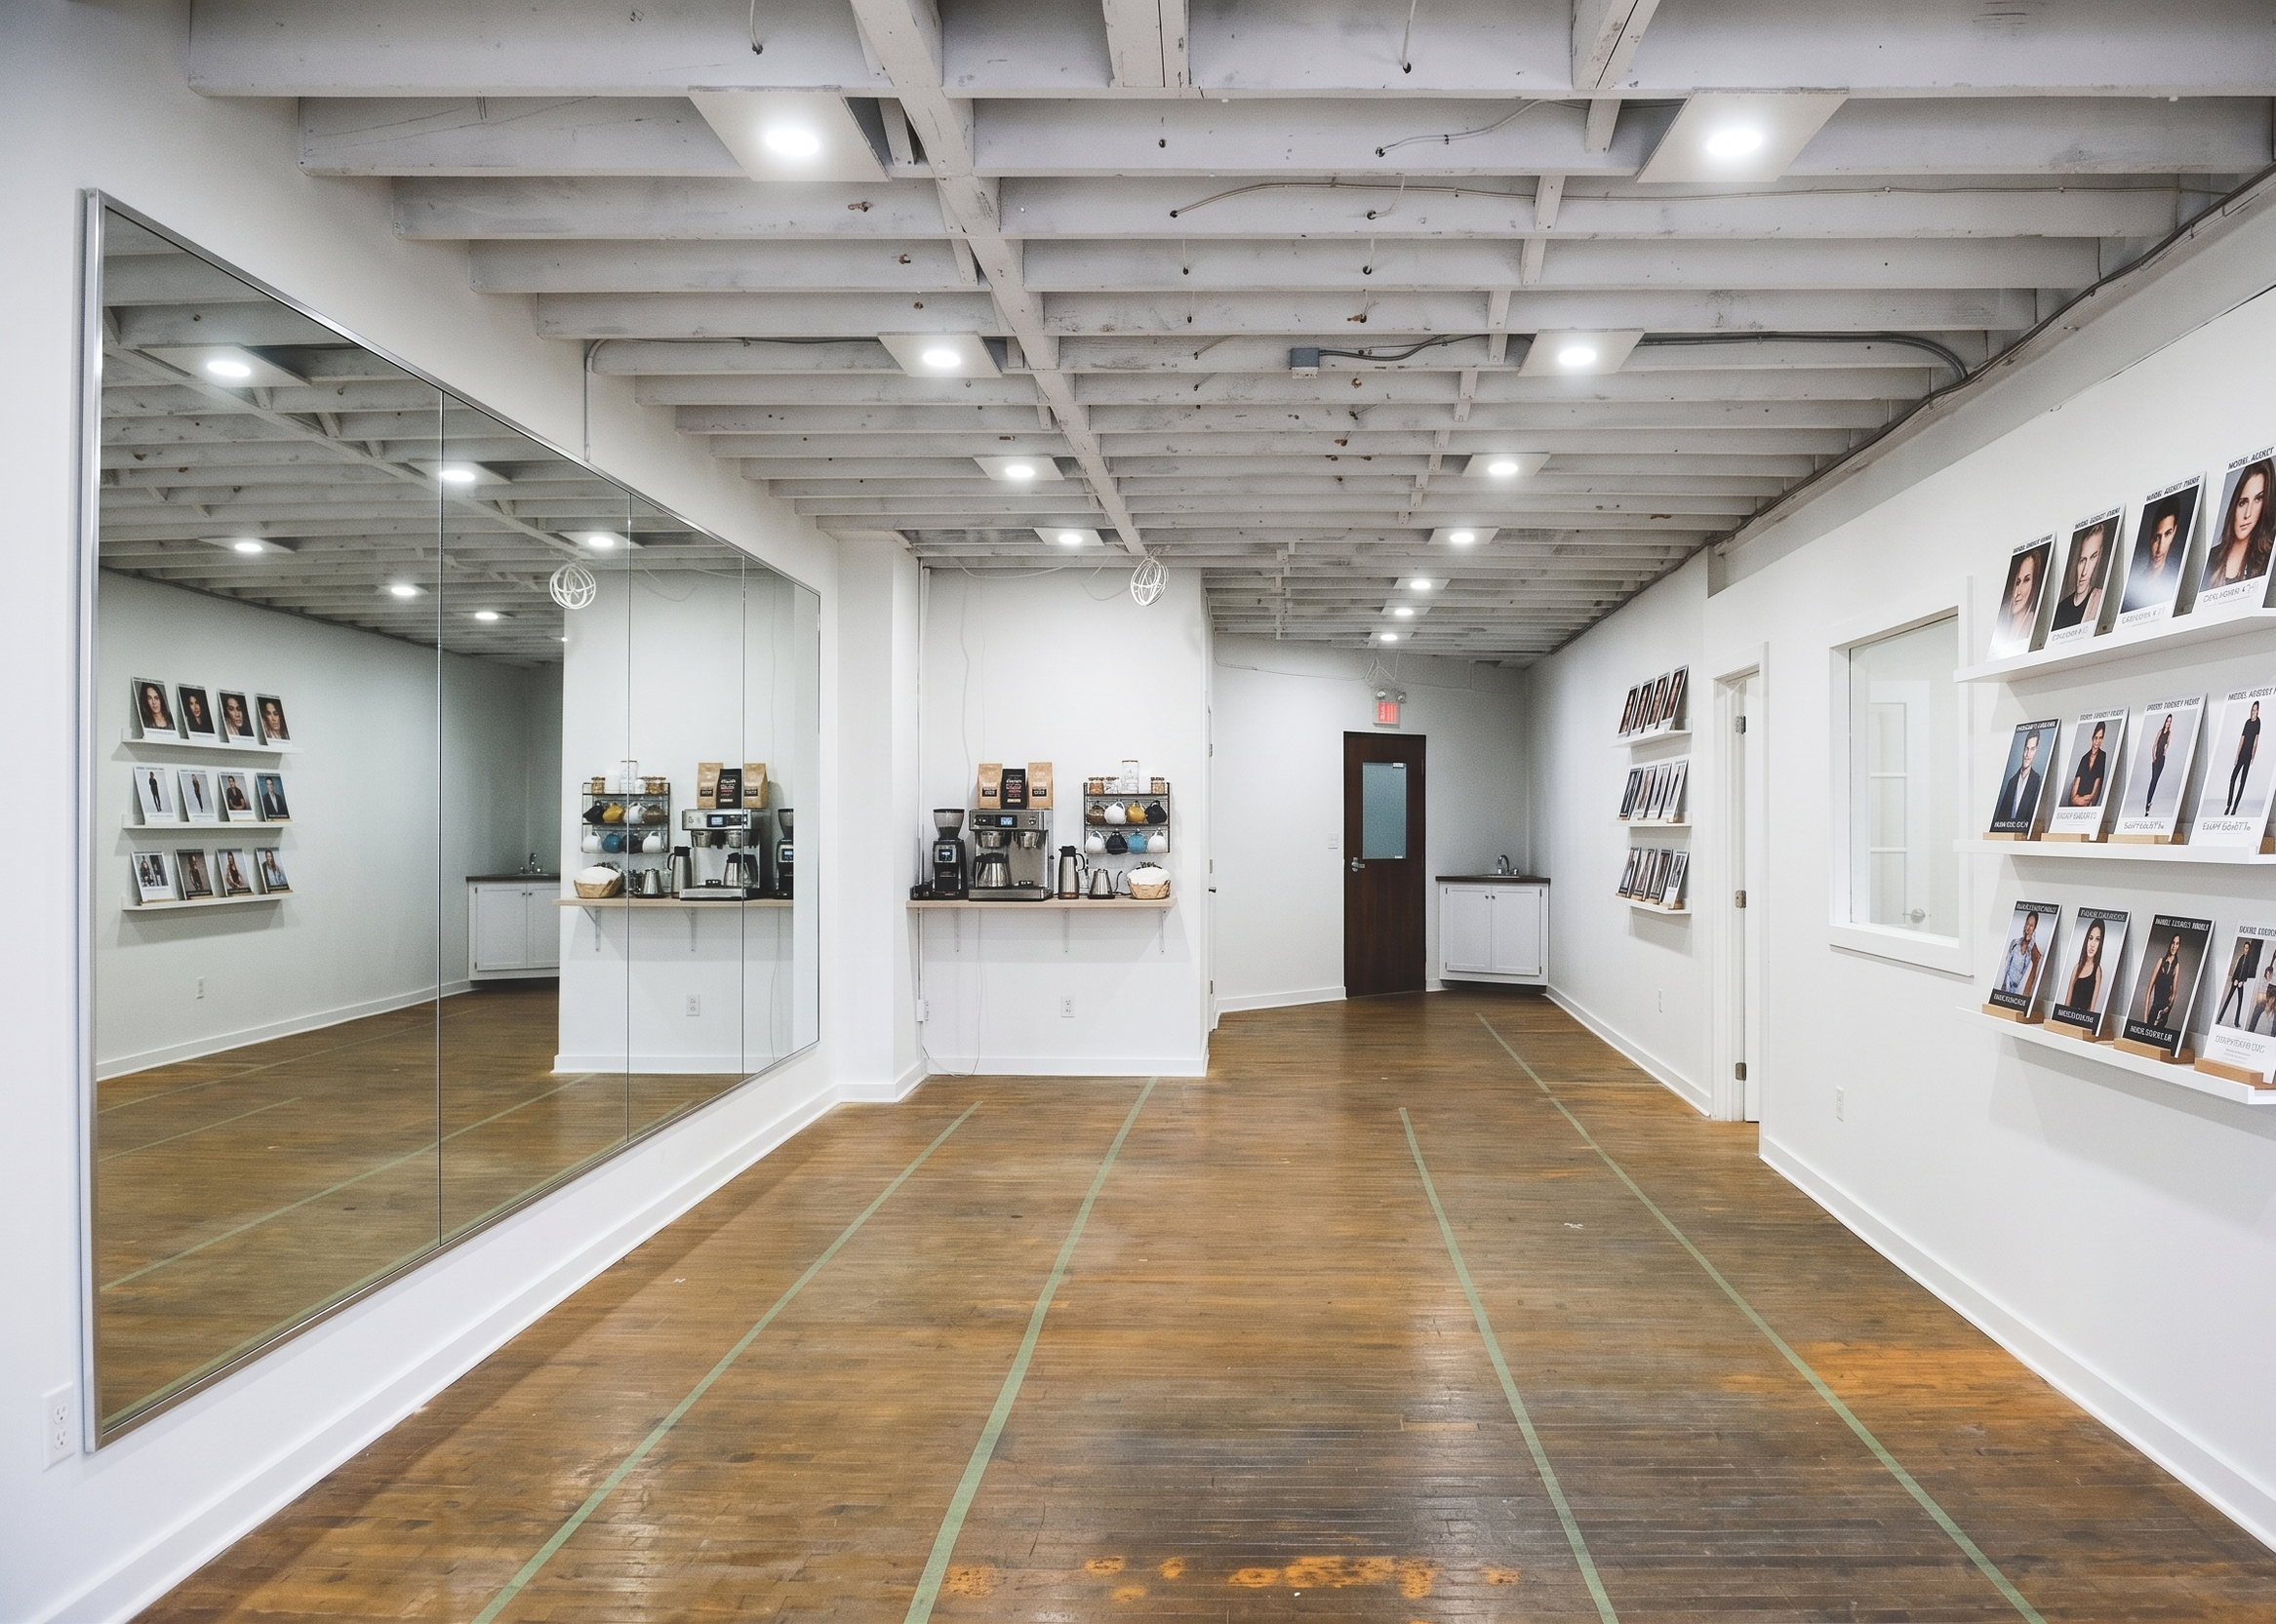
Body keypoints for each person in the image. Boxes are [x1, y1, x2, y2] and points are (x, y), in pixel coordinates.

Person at [2203, 459, 2274, 591]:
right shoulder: (2211, 559)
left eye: (2258, 499)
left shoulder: (2269, 559)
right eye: (2243, 502)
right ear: (2234, 506)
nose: (2248, 514)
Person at [2049, 523, 2108, 632]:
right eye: (2082, 560)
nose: (2084, 572)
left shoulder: (2101, 601)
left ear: (2099, 559)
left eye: (2093, 558)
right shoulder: (2060, 609)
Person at [2127, 503, 2183, 612]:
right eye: (2156, 537)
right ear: (2149, 538)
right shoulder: (2133, 589)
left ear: (2175, 531)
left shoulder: (2177, 581)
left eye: (2168, 534)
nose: (2160, 549)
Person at [1994, 730, 2045, 828]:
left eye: (2032, 749)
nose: (2027, 754)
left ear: (2036, 750)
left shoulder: (2038, 781)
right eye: (2026, 749)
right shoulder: (2011, 782)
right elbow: (2000, 820)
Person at [1995, 549, 2042, 651]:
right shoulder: (2003, 626)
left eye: (2026, 580)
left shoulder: (2031, 621)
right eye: (2017, 582)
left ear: (2034, 584)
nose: (2018, 592)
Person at [2064, 918, 2107, 1017]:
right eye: (2090, 938)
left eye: (2097, 940)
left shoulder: (2097, 971)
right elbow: (2067, 1003)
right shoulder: (2077, 968)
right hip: (2069, 1017)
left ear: (2100, 944)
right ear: (2086, 940)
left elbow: (2091, 1009)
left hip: (2082, 1020)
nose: (2092, 945)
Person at [2227, 700, 2262, 817]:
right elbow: (2242, 739)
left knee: (2242, 781)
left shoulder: (2258, 722)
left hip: (2248, 755)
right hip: (2242, 754)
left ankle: (2235, 806)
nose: (2254, 711)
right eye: (2253, 709)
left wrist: (2253, 754)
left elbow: (2256, 739)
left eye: (2256, 709)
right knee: (2233, 778)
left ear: (2258, 711)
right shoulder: (2247, 722)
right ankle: (2229, 804)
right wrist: (2237, 755)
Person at [1998, 910, 2045, 998]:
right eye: (2027, 924)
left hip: (2018, 992)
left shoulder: (2033, 951)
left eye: (2031, 925)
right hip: (2006, 988)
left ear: (2035, 928)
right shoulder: (2015, 943)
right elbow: (2006, 968)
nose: (2028, 927)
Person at [2144, 934, 2183, 1029]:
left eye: (2177, 944)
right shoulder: (2160, 961)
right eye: (2173, 943)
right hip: (2155, 1008)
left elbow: (2174, 993)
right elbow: (2149, 990)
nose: (2174, 946)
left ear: (2179, 946)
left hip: (2164, 1012)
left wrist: (2168, 1008)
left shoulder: (2176, 966)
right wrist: (2145, 1019)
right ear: (2170, 944)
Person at [2065, 722, 2108, 808]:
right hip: (2078, 798)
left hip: (2088, 801)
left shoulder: (2102, 756)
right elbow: (2077, 780)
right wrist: (2075, 799)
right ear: (2092, 738)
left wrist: (2090, 798)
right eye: (2096, 738)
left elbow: (2098, 780)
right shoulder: (2084, 758)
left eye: (2100, 738)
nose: (2098, 741)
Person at [2218, 939, 2258, 1026]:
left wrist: (2243, 981)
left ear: (2249, 949)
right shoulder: (2241, 958)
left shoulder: (2249, 960)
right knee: (2228, 999)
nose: (2245, 950)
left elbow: (2247, 972)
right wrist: (2235, 979)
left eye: (2247, 948)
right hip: (2236, 981)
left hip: (2241, 983)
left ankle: (2236, 1022)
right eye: (2244, 948)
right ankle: (2219, 1019)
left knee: (2240, 1002)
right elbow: (2237, 969)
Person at [2143, 713, 2174, 817]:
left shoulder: (2169, 733)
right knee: (2153, 780)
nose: (2168, 723)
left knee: (2155, 780)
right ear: (2165, 721)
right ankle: (2147, 803)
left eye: (2170, 722)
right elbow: (2154, 744)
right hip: (2156, 757)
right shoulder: (2160, 732)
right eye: (2167, 721)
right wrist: (2153, 756)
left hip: (2162, 758)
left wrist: (2165, 751)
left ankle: (2148, 804)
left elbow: (2168, 743)